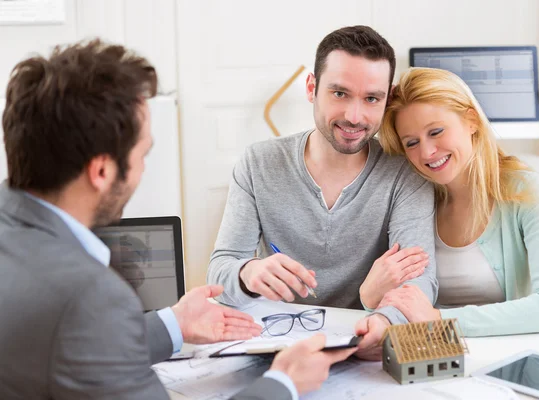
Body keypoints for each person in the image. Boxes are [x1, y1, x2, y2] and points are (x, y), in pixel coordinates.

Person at [0, 39, 355, 400]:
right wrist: (284, 383)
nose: (142, 168)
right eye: (143, 154)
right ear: (103, 171)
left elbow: (74, 344)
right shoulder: (90, 296)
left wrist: (173, 323)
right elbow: (84, 324)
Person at [207, 25, 438, 333]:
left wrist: (383, 322)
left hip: (367, 336)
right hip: (276, 338)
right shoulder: (258, 163)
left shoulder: (404, 173)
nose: (354, 116)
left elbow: (419, 281)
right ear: (311, 88)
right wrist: (248, 273)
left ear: (387, 100)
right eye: (339, 93)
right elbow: (220, 269)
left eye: (371, 98)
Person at [370, 67, 539, 337]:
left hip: (508, 360)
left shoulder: (527, 192)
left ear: (471, 121)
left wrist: (439, 319)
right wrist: (369, 299)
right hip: (433, 354)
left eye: (436, 131)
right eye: (411, 143)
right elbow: (403, 302)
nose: (427, 152)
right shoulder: (414, 200)